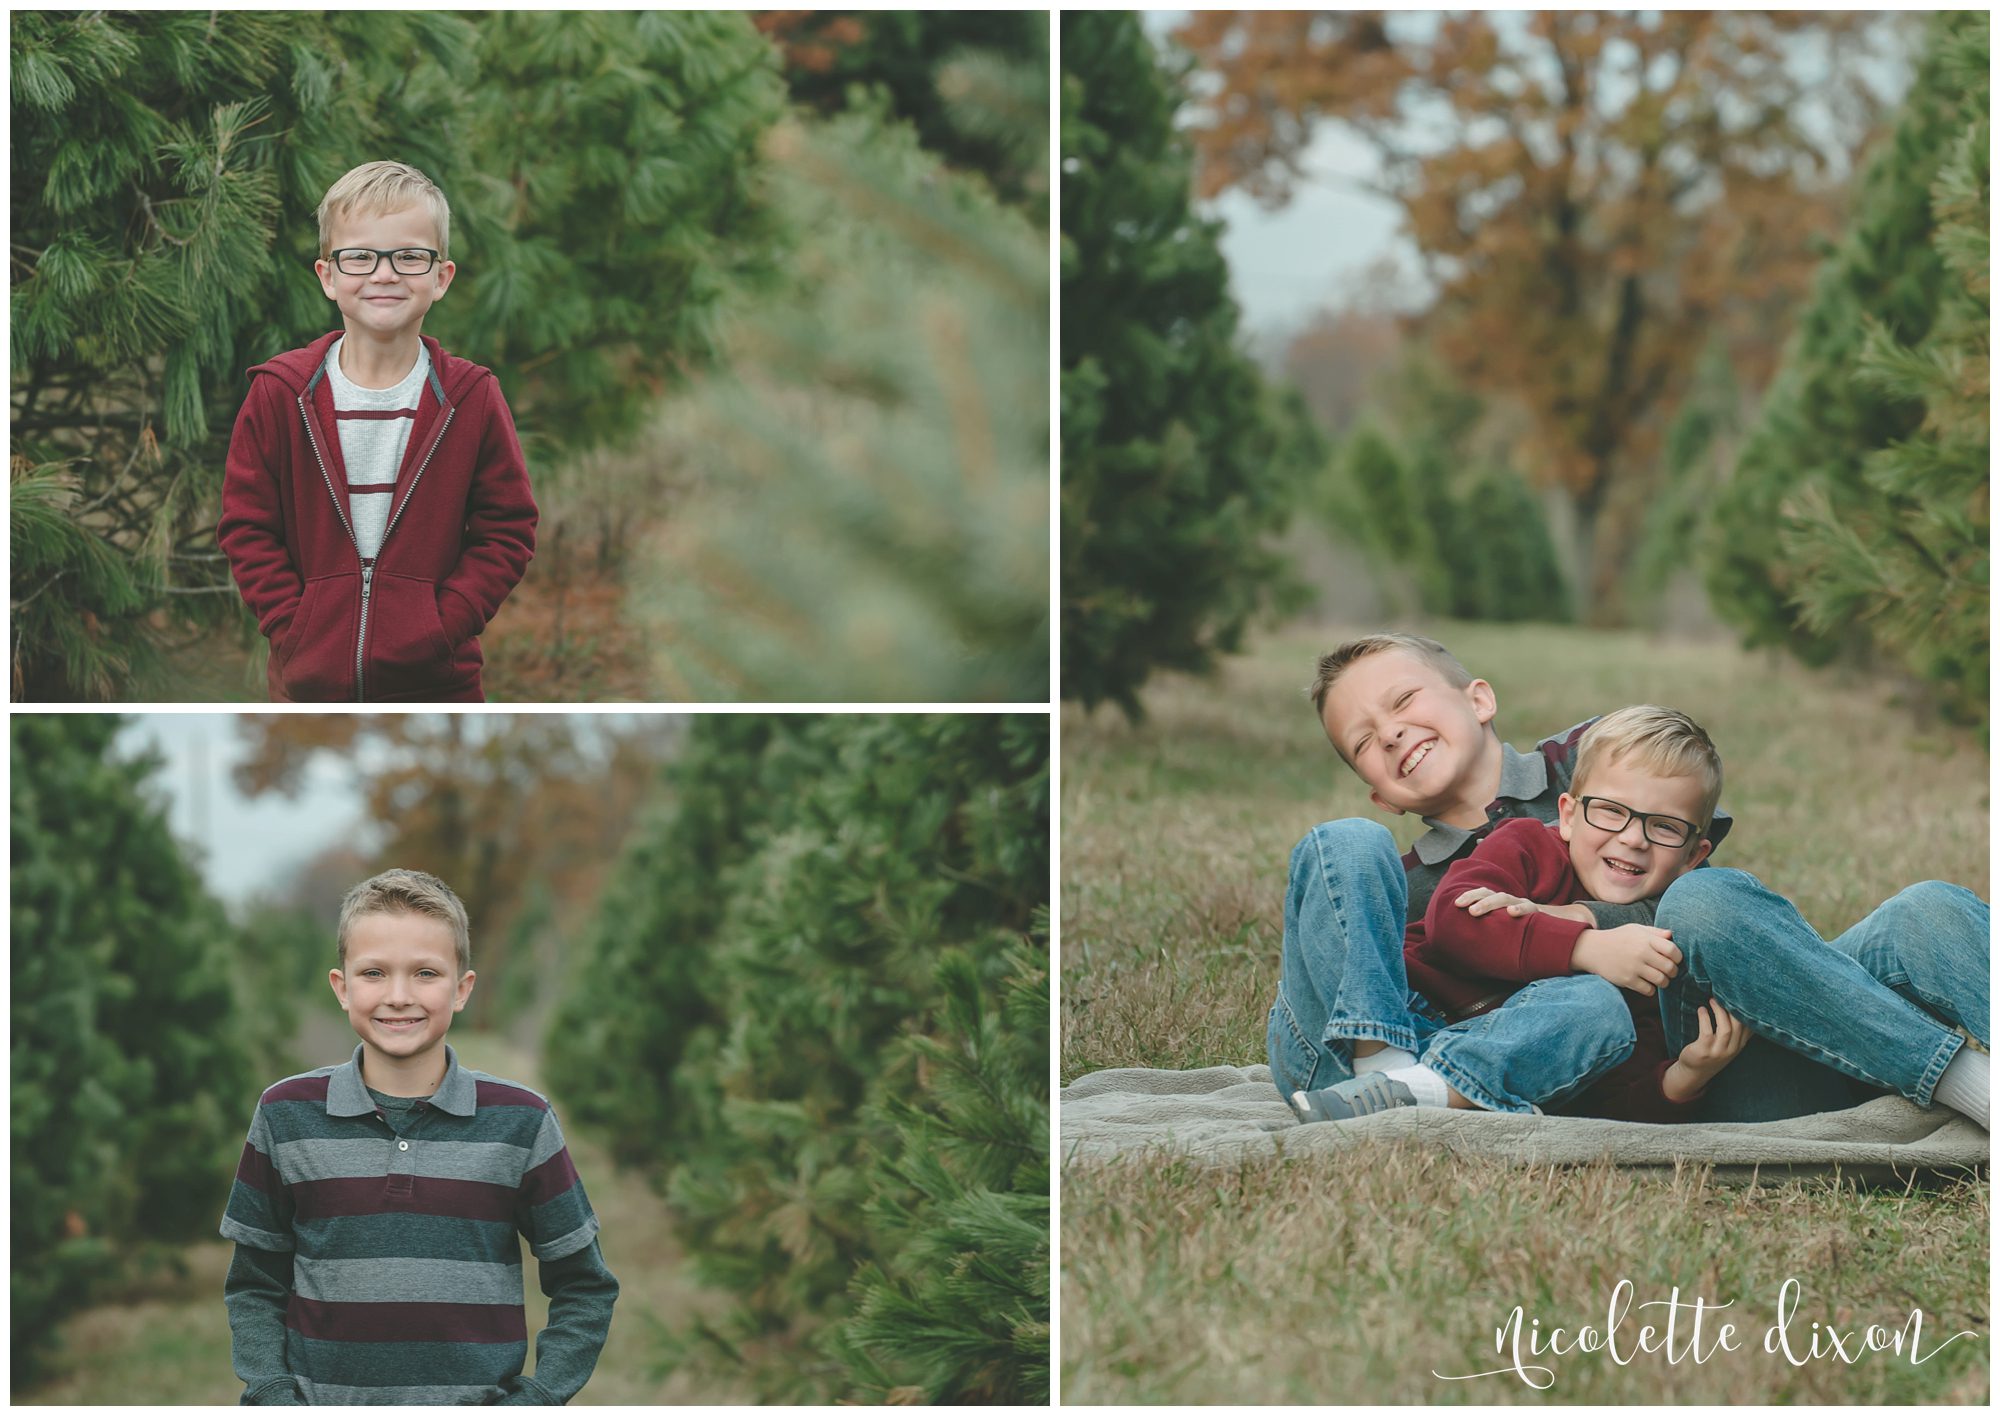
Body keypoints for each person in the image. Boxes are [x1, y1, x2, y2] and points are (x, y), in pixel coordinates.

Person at [220, 870, 616, 1405]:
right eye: (375, 973)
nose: (399, 995)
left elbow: (584, 1287)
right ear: (342, 987)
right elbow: (254, 1284)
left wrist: (539, 1397)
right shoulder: (285, 1115)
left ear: (462, 989)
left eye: (425, 973)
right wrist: (271, 1391)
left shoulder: (522, 1121)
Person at [1288, 704, 1750, 1123]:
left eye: (1664, 826)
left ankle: (1416, 1094)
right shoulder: (1528, 843)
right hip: (1361, 1033)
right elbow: (1452, 922)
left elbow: (1612, 1103)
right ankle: (1381, 1067)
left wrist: (1687, 1076)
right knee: (1350, 841)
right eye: (1611, 811)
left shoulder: (1653, 952)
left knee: (1600, 1007)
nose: (1633, 838)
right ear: (1567, 815)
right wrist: (1584, 947)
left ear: (1694, 856)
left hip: (1478, 1074)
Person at [219, 161, 537, 702]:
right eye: (360, 257)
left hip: (438, 688)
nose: (385, 274)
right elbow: (247, 528)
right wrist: (295, 628)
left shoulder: (471, 397)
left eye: (410, 256)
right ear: (327, 276)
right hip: (308, 689)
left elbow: (507, 530)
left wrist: (440, 627)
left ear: (441, 277)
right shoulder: (281, 394)